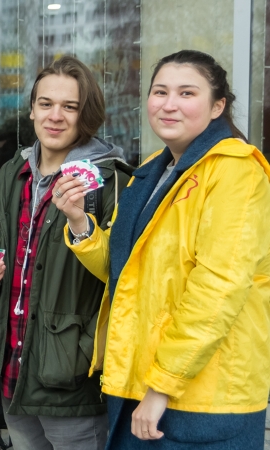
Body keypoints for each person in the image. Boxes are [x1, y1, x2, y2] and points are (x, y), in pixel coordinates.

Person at [54, 50, 270, 449]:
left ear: (217, 106)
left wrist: (162, 386)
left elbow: (219, 289)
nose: (169, 104)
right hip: (140, 383)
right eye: (160, 92)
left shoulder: (236, 170)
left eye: (187, 93)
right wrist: (79, 222)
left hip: (201, 397)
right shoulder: (155, 169)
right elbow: (127, 273)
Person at [0, 56, 132, 450]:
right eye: (46, 104)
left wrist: (80, 223)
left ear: (85, 114)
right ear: (32, 110)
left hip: (72, 377)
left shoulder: (112, 181)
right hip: (12, 369)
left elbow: (123, 277)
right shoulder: (11, 173)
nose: (55, 116)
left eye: (69, 106)